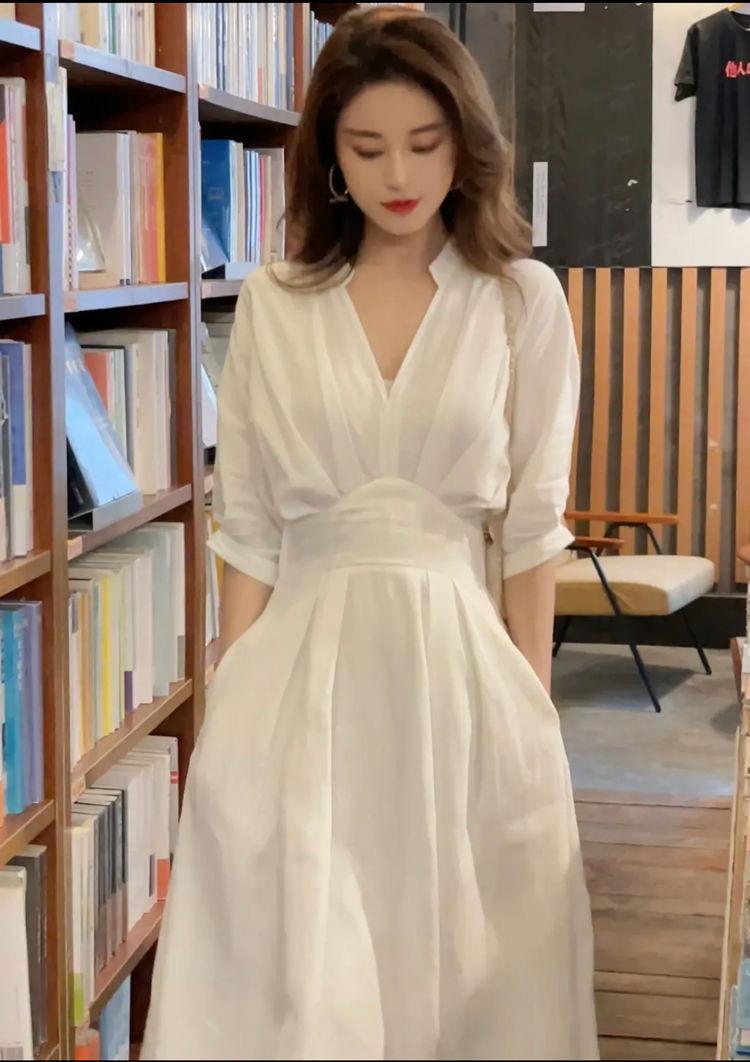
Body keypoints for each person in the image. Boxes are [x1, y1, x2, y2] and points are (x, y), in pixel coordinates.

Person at [141, 6, 598, 1060]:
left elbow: (535, 526)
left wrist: (532, 710)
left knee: (475, 977)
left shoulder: (520, 300)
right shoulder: (275, 302)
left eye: (426, 144)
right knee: (304, 973)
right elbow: (250, 526)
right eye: (368, 146)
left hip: (462, 677)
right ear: (330, 160)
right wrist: (230, 702)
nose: (400, 174)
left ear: (466, 146)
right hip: (300, 679)